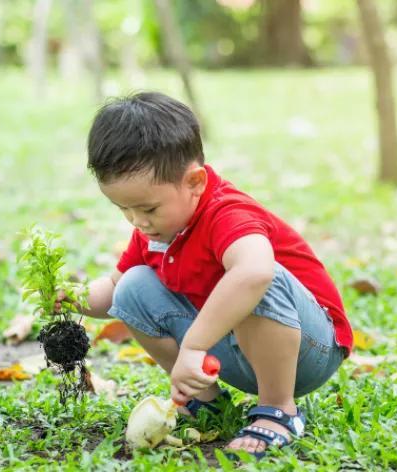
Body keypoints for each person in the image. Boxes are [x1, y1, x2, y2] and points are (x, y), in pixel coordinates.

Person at [65, 91, 352, 458]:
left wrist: (195, 346)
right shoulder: (156, 230)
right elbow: (115, 291)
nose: (138, 222)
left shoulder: (227, 213)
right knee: (134, 285)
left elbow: (255, 273)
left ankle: (279, 410)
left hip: (307, 351)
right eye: (125, 210)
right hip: (236, 349)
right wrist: (70, 295)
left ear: (195, 182)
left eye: (148, 208)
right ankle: (206, 400)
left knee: (254, 277)